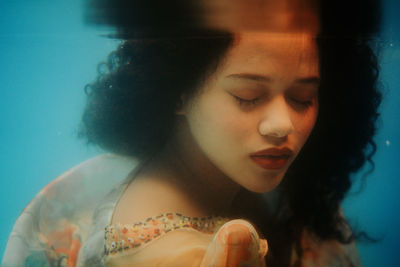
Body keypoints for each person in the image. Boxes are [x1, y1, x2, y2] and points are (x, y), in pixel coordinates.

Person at [2, 0, 382, 266]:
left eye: (303, 98)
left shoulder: (237, 178)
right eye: (247, 96)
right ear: (178, 90)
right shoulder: (171, 253)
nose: (282, 124)